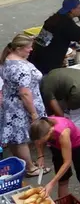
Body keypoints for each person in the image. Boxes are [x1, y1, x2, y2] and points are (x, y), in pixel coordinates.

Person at [1, 34, 49, 177]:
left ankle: (22, 164)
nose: (31, 50)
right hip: (21, 107)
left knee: (15, 138)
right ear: (19, 48)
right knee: (21, 139)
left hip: (9, 103)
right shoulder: (21, 68)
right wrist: (34, 114)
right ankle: (30, 168)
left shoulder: (6, 60)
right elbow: (25, 93)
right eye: (28, 47)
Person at [29, 0, 80, 75]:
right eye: (79, 7)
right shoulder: (67, 24)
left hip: (36, 56)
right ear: (72, 10)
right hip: (49, 64)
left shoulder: (54, 18)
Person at [31, 116, 80, 203]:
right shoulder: (40, 126)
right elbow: (38, 141)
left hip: (78, 146)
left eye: (42, 140)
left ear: (49, 132)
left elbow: (67, 162)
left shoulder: (63, 133)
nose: (39, 143)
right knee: (62, 181)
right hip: (58, 147)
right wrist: (40, 156)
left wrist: (51, 183)